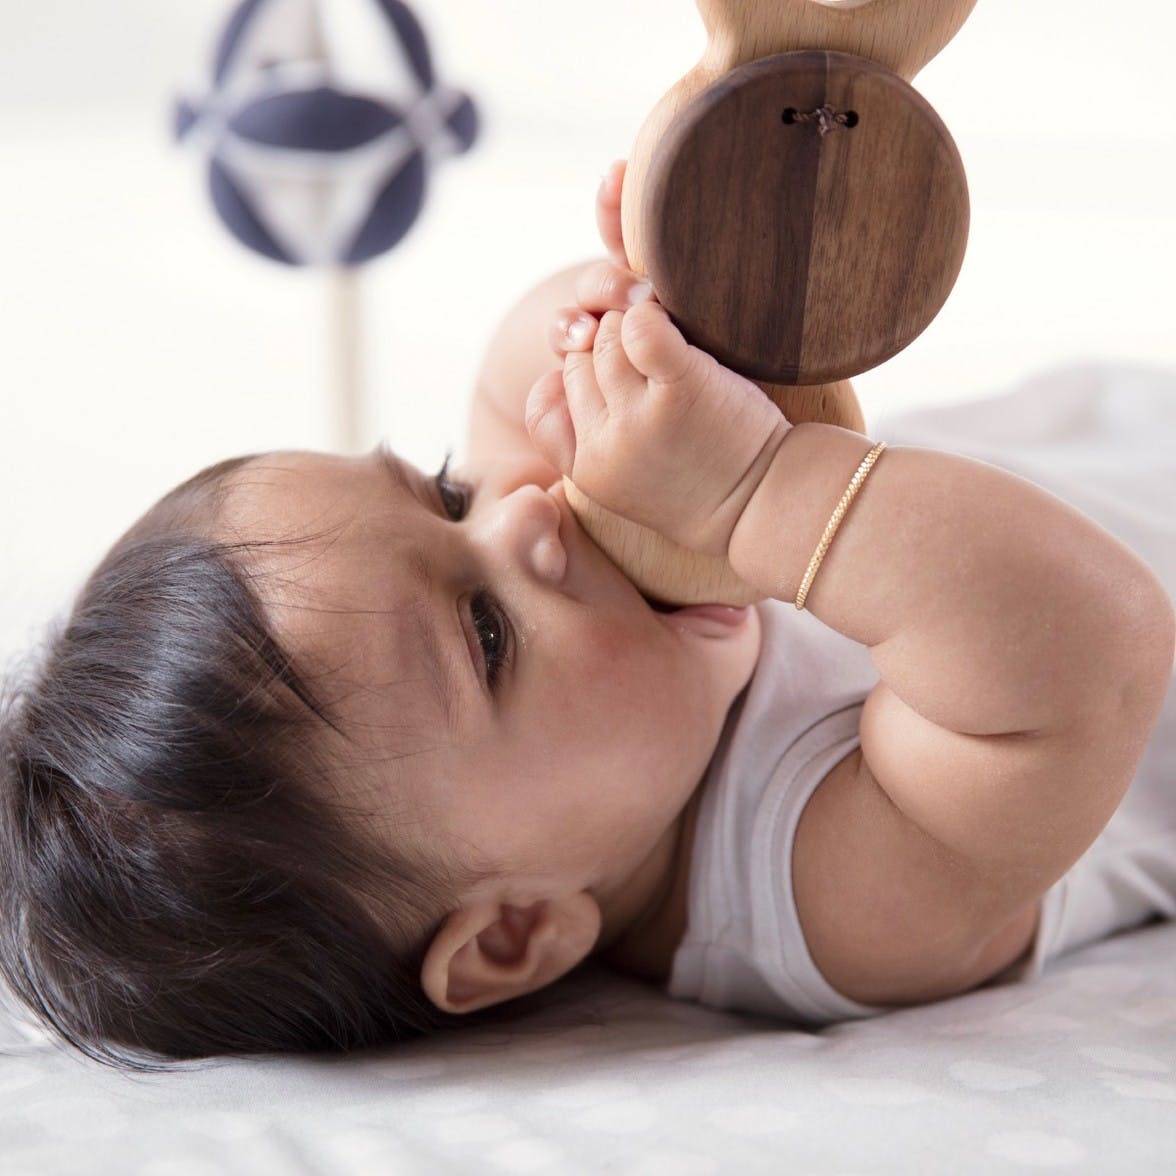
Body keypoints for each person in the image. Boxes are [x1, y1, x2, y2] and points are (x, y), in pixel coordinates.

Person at [1, 163, 1172, 1066]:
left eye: (443, 489)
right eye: (488, 634)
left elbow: (517, 396)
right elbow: (1095, 654)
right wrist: (753, 489)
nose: (524, 516)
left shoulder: (604, 629)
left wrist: (616, 313)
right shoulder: (826, 894)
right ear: (515, 935)